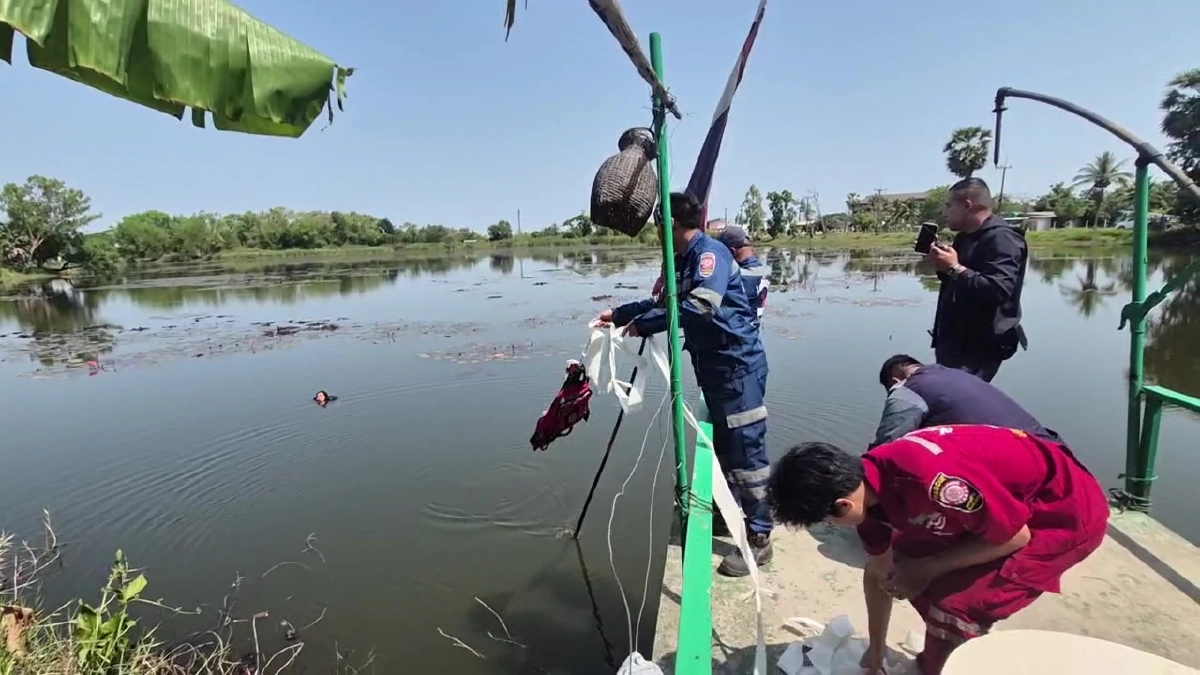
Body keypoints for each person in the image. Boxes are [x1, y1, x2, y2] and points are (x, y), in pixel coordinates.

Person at [767, 426, 1109, 675]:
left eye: (826, 520)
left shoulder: (937, 484)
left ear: (842, 505)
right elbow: (879, 572)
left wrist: (930, 567)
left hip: (1061, 512)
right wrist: (874, 652)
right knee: (906, 569)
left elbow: (1015, 536)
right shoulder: (867, 490)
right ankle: (942, 649)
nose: (830, 526)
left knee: (957, 603)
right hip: (1000, 510)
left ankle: (940, 665)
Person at [597, 191, 772, 577]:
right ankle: (730, 515)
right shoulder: (684, 259)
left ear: (670, 223)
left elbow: (701, 305)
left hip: (737, 366)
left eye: (658, 224)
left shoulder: (711, 255)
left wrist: (646, 325)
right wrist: (620, 314)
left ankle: (760, 537)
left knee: (747, 451)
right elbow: (668, 301)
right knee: (724, 449)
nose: (655, 232)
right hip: (713, 368)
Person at [928, 178, 1028, 382]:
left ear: (966, 205)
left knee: (959, 403)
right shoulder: (965, 238)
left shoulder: (1003, 239)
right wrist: (944, 266)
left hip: (978, 350)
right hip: (954, 342)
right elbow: (960, 284)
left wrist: (955, 268)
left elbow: (997, 290)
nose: (945, 212)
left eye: (949, 206)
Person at [872, 354, 1057, 448]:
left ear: (895, 381)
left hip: (1023, 461)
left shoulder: (908, 388)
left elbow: (888, 443)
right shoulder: (955, 375)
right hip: (1052, 449)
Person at [716, 225, 770, 326]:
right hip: (752, 328)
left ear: (731, 252)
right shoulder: (761, 269)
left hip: (739, 333)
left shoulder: (742, 276)